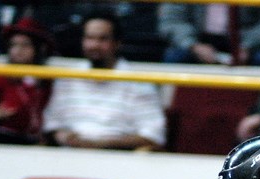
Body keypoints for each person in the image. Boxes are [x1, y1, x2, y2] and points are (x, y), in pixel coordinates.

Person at [41, 12, 167, 151]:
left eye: (103, 39)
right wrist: (64, 136)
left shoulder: (138, 82)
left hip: (119, 161)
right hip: (67, 157)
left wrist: (100, 145)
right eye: (89, 38)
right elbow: (52, 124)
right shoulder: (68, 77)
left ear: (117, 43)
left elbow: (154, 136)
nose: (94, 45)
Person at [0, 17, 54, 144]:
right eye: (13, 45)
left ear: (38, 48)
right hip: (4, 134)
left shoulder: (46, 79)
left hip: (33, 137)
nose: (18, 50)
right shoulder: (2, 76)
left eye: (25, 45)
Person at [156, 3, 260, 66]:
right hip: (198, 41)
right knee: (175, 57)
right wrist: (192, 45)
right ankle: (175, 111)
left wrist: (248, 45)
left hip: (249, 43)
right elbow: (171, 20)